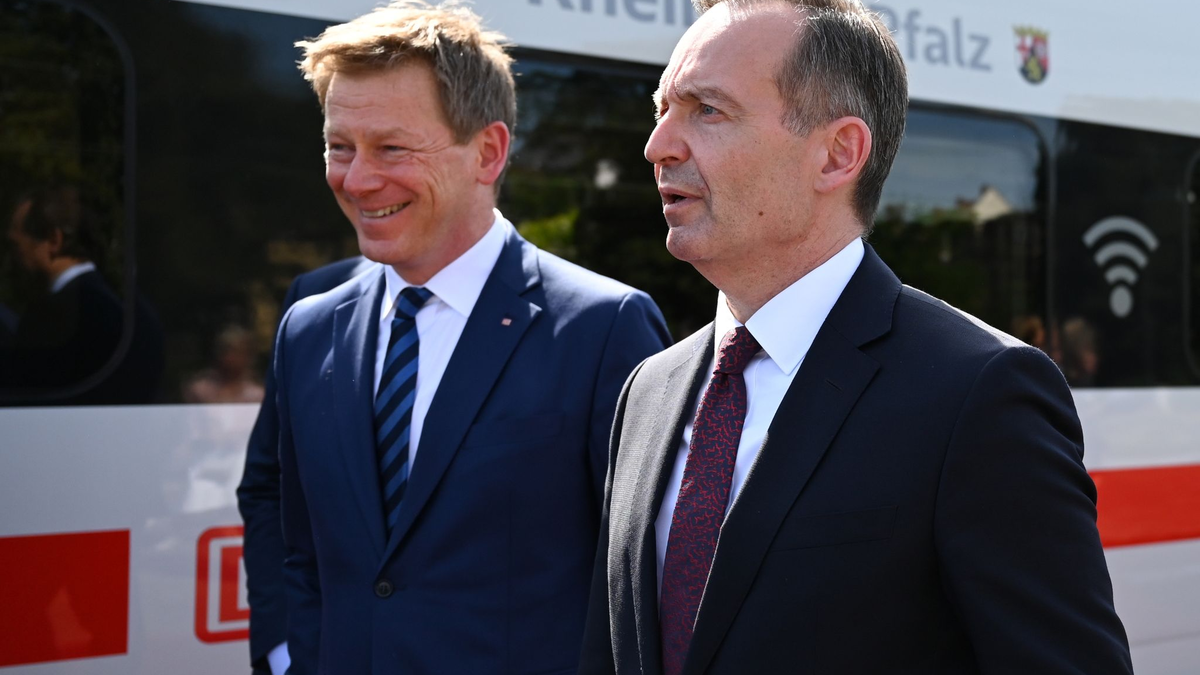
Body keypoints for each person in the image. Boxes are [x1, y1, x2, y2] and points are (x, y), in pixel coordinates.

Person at [580, 1, 1132, 674]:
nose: (658, 144)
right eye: (661, 108)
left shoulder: (977, 395)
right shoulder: (649, 392)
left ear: (838, 154)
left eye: (708, 111)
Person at [276, 3, 671, 674]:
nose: (358, 178)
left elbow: (645, 587)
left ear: (487, 152)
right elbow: (306, 556)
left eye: (391, 148)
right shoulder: (309, 329)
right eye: (339, 147)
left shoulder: (605, 328)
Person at [236, 255, 375, 675]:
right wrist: (281, 648)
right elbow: (268, 484)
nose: (352, 185)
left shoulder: (566, 309)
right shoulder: (312, 297)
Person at [3, 185, 163, 404]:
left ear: (53, 241)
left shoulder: (51, 316)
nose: (13, 260)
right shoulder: (132, 312)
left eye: (15, 246)